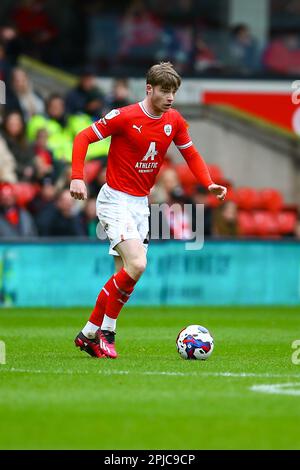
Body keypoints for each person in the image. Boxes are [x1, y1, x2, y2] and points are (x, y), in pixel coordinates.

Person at [70, 62, 227, 359]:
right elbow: (83, 137)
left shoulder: (174, 120)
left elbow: (190, 154)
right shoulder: (125, 116)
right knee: (138, 264)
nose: (170, 97)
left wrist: (209, 183)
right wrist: (77, 176)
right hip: (115, 200)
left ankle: (88, 333)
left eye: (174, 92)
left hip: (141, 205)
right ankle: (107, 333)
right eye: (165, 91)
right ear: (149, 89)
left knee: (128, 274)